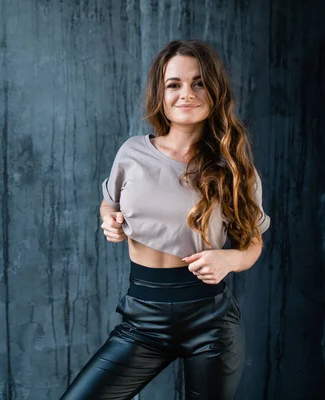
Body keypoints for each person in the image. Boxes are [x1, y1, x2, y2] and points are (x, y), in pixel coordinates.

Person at [60, 39, 271, 400]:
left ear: (215, 91)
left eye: (199, 83)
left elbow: (253, 244)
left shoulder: (235, 170)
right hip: (142, 321)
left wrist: (229, 259)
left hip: (210, 324)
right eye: (174, 84)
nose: (186, 93)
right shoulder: (132, 151)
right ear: (161, 93)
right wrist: (109, 220)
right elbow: (108, 203)